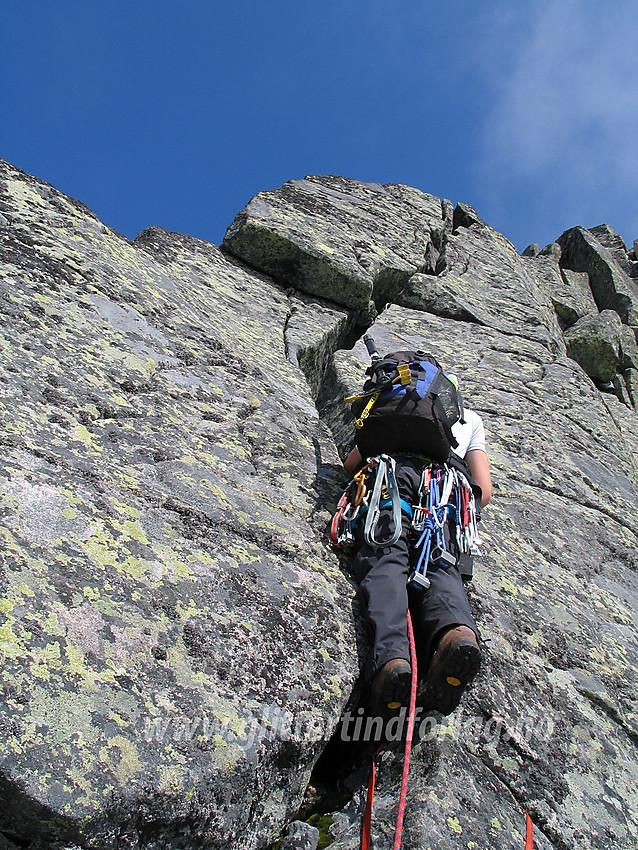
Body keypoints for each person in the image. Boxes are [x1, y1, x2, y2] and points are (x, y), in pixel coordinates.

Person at [343, 385, 492, 719]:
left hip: (389, 475)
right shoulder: (471, 419)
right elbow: (485, 489)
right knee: (439, 561)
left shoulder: (394, 402)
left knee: (385, 559)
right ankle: (455, 633)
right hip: (444, 485)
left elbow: (353, 464)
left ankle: (393, 660)